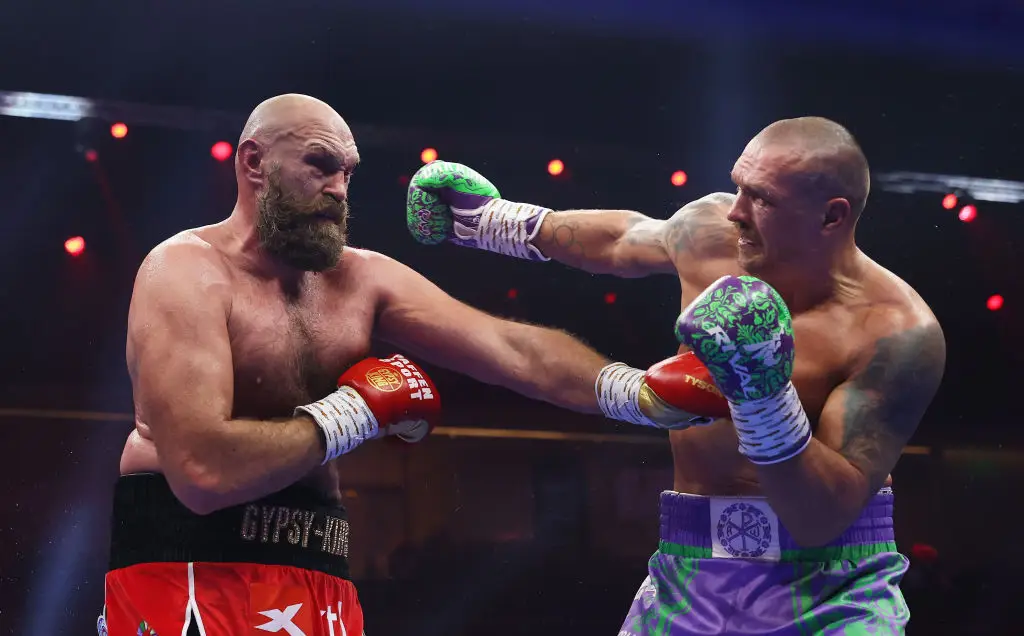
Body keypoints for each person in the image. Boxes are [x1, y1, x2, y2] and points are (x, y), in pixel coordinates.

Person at [99, 93, 728, 636]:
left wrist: (635, 392)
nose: (338, 189)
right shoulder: (185, 272)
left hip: (317, 567)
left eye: (348, 173)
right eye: (320, 166)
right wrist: (352, 415)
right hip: (185, 565)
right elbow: (202, 474)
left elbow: (511, 348)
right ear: (254, 163)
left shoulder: (361, 278)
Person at [405, 116, 946, 634]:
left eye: (763, 199)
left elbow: (821, 517)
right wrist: (486, 221)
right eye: (740, 186)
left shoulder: (896, 333)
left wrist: (761, 395)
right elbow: (622, 239)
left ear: (832, 216)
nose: (735, 212)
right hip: (692, 571)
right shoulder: (712, 234)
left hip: (832, 588)